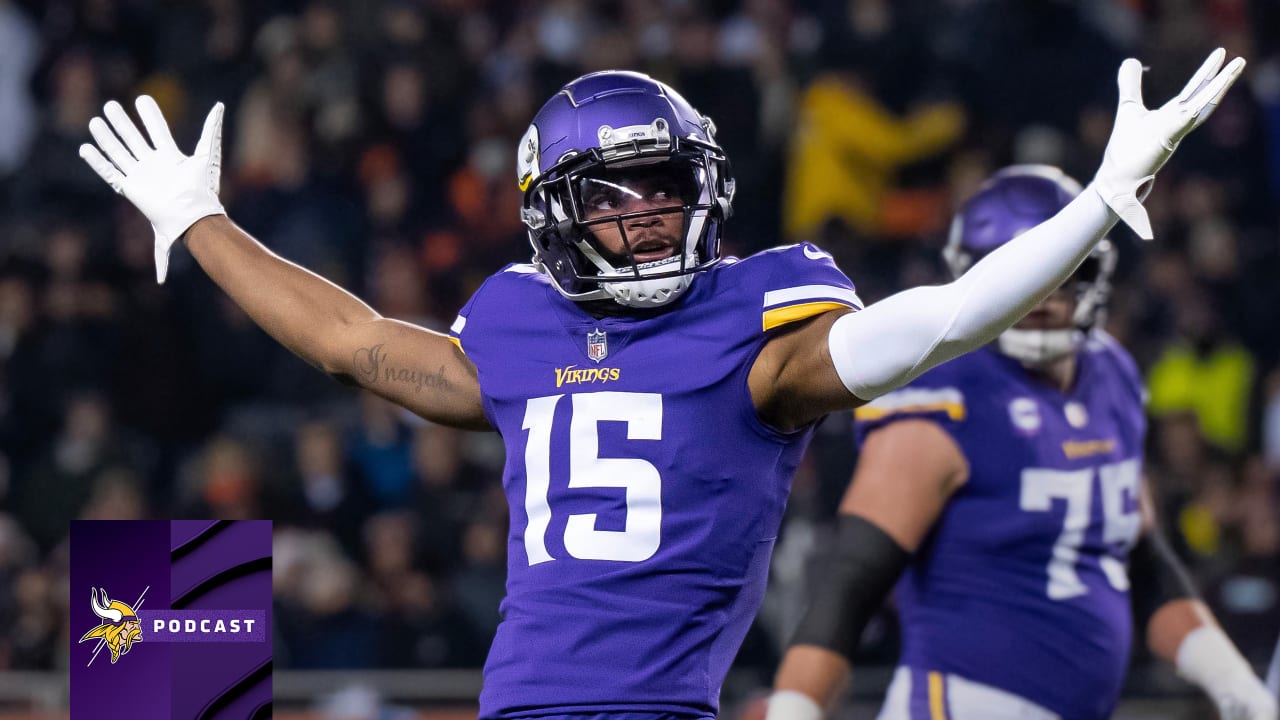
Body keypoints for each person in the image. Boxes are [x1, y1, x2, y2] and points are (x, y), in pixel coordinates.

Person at [78, 50, 1243, 719]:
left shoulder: (758, 330)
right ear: (550, 214)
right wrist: (202, 221)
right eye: (615, 195)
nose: (649, 214)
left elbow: (936, 324)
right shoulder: (519, 329)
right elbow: (351, 339)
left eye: (664, 187)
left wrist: (1093, 205)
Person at [766, 166, 1278, 720]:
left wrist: (1231, 681)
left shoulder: (1111, 372)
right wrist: (797, 706)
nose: (1043, 294)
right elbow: (854, 578)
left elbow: (1140, 561)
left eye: (1063, 270)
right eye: (1023, 273)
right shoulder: (946, 395)